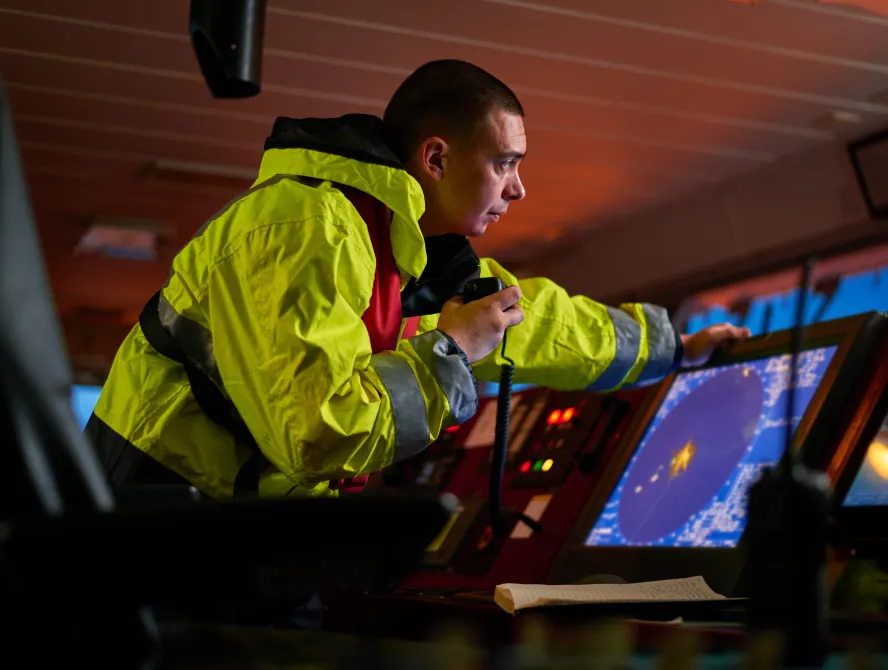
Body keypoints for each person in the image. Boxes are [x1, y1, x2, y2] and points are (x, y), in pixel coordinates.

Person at [86, 60, 750, 500]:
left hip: (236, 529)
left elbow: (537, 321)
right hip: (150, 532)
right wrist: (450, 352)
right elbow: (320, 434)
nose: (518, 188)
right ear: (436, 156)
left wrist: (674, 348)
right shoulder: (303, 226)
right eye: (505, 163)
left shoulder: (405, 249)